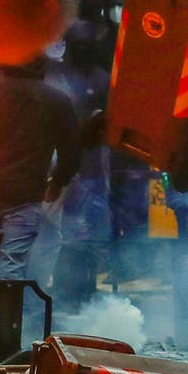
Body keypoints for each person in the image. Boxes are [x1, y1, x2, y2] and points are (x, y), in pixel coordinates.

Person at [0, 57, 80, 282]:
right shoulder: (57, 101)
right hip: (25, 198)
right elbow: (71, 152)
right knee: (12, 263)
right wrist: (57, 183)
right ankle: (5, 315)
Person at [45, 21, 112, 312]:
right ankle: (65, 291)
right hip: (66, 165)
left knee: (88, 235)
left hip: (92, 167)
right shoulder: (58, 78)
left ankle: (81, 291)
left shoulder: (102, 79)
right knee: (68, 234)